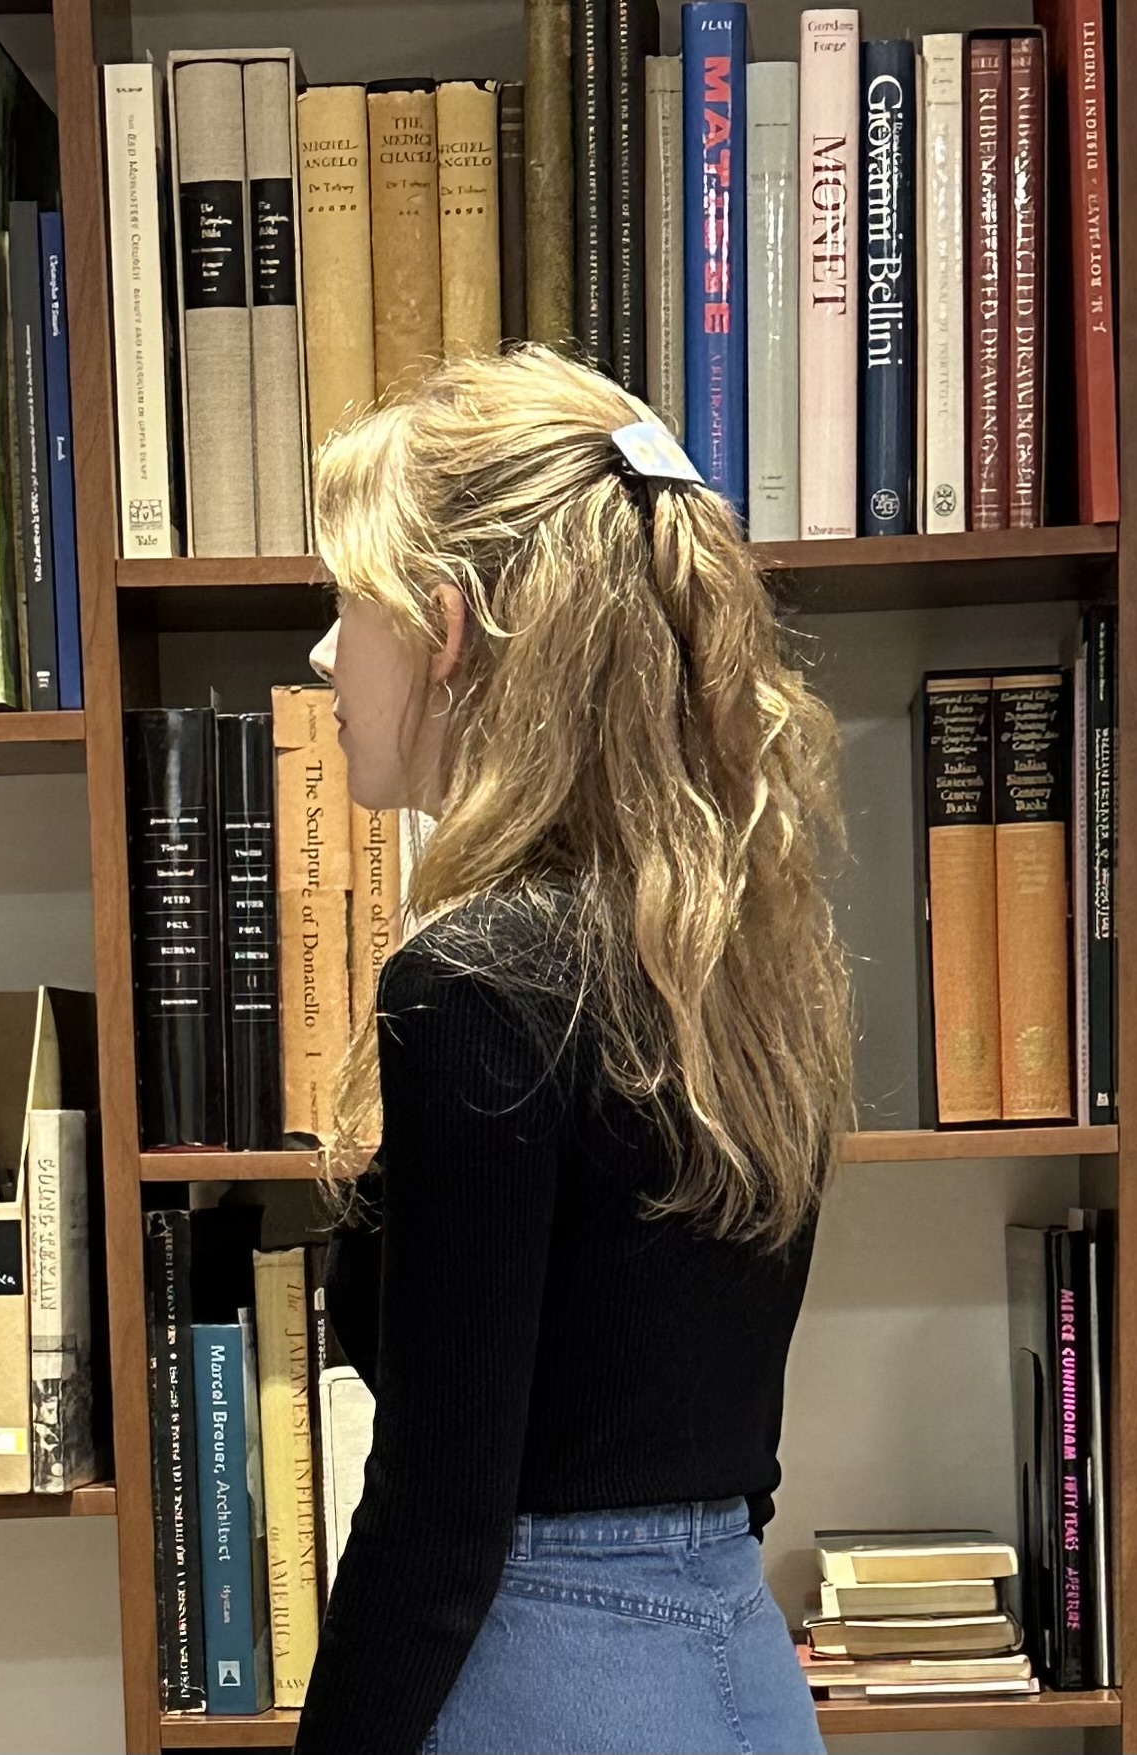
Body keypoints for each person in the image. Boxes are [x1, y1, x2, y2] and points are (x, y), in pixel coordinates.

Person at [294, 346, 851, 1755]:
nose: (320, 656)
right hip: (735, 1668)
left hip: (548, 1677)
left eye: (344, 606)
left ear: (447, 628)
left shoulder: (475, 984)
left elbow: (439, 1505)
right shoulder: (743, 961)